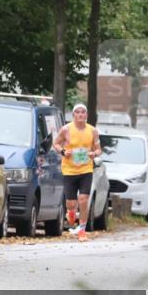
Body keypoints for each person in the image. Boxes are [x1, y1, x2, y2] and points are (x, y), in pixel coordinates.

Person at [52, 103, 102, 240]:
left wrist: (94, 154)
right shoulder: (66, 129)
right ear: (73, 115)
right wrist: (63, 151)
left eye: (83, 112)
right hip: (69, 170)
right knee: (71, 203)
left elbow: (99, 149)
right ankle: (72, 212)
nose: (80, 114)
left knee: (83, 199)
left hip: (86, 169)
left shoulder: (92, 131)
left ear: (86, 115)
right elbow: (55, 143)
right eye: (77, 112)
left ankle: (82, 230)